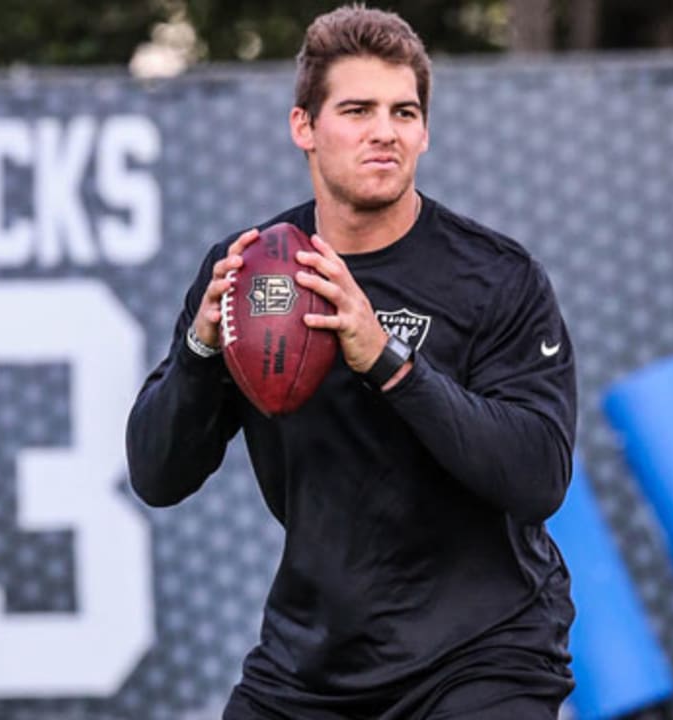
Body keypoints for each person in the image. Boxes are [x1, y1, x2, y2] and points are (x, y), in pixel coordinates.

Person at [126, 6, 577, 718]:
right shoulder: (248, 273)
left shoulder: (497, 277)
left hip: (483, 653)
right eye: (357, 109)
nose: (384, 132)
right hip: (313, 663)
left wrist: (390, 361)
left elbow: (539, 476)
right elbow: (156, 477)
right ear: (303, 126)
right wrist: (200, 352)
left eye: (404, 112)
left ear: (425, 131)